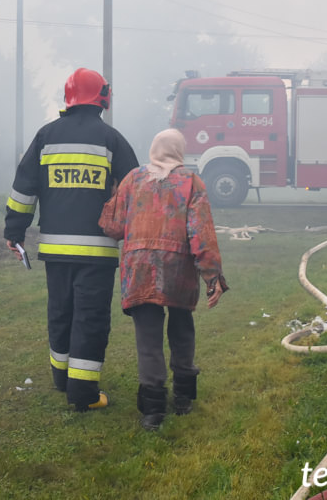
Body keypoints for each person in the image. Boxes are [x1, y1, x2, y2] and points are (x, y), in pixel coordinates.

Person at [3, 68, 139, 411]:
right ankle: (83, 394)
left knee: (60, 312)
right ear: (101, 99)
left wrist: (14, 232)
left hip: (55, 250)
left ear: (69, 99)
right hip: (97, 253)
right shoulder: (112, 141)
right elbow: (136, 191)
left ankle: (62, 378)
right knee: (90, 318)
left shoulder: (45, 137)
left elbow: (23, 190)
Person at [98, 128, 228, 430]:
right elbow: (201, 234)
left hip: (139, 269)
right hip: (177, 270)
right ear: (179, 151)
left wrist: (111, 194)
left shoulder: (133, 180)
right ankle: (183, 397)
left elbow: (113, 227)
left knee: (148, 339)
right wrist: (212, 276)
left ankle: (153, 410)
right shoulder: (191, 183)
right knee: (182, 329)